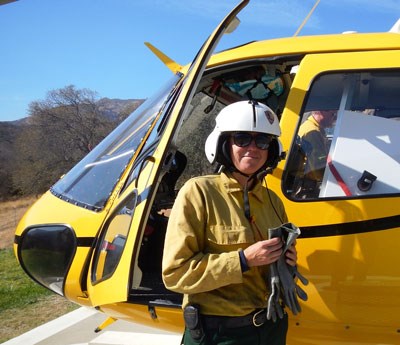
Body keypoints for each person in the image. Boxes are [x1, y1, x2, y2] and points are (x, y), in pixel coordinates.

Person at [162, 100, 298, 345]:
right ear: (224, 145)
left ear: (272, 149)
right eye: (242, 139)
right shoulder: (198, 192)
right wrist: (243, 260)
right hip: (220, 335)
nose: (253, 148)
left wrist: (286, 263)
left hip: (272, 328)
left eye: (262, 141)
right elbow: (176, 273)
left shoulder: (273, 201)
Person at [296, 109, 337, 197]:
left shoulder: (312, 127)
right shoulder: (313, 132)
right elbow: (319, 167)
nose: (335, 118)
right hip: (309, 186)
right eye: (333, 114)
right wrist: (334, 181)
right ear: (321, 112)